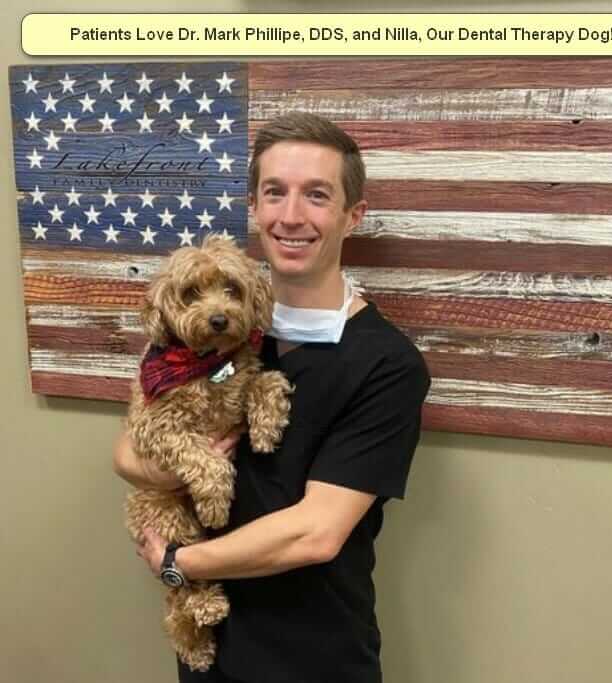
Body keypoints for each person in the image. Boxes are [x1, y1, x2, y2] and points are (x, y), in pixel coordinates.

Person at [113, 112, 431, 683]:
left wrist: (177, 564)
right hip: (207, 646)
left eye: (316, 195)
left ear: (351, 215)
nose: (291, 216)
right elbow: (125, 455)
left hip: (313, 655)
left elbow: (315, 532)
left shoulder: (387, 365)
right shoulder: (191, 340)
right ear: (254, 209)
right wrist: (177, 469)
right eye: (275, 193)